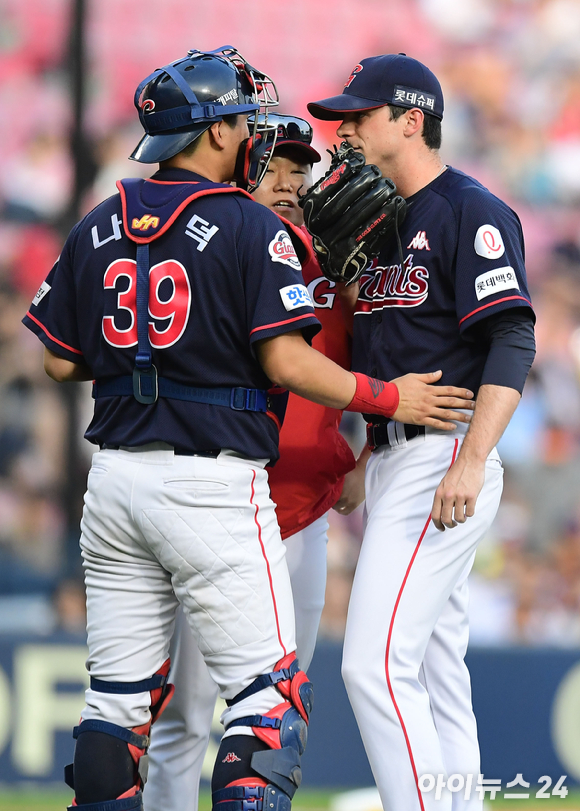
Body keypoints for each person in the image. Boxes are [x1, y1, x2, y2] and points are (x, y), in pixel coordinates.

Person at [22, 45, 474, 811]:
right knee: (266, 704)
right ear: (219, 133)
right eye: (244, 126)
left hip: (120, 478)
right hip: (214, 486)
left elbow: (60, 365)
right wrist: (386, 399)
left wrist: (146, 356)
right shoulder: (244, 226)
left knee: (116, 706)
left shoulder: (102, 220)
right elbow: (287, 361)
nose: (284, 172)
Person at [307, 53, 536, 811]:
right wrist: (366, 455)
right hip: (401, 460)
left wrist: (471, 463)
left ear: (411, 120)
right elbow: (397, 357)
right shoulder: (372, 224)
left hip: (446, 460)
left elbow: (511, 338)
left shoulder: (471, 209)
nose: (344, 133)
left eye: (360, 118)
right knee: (438, 667)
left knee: (372, 664)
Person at [144, 114, 369, 811]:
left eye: (298, 171)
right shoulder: (212, 253)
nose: (288, 184)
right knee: (184, 712)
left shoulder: (332, 261)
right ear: (238, 164)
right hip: (208, 504)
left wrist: (364, 450)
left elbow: (380, 355)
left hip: (300, 510)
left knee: (279, 710)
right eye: (271, 165)